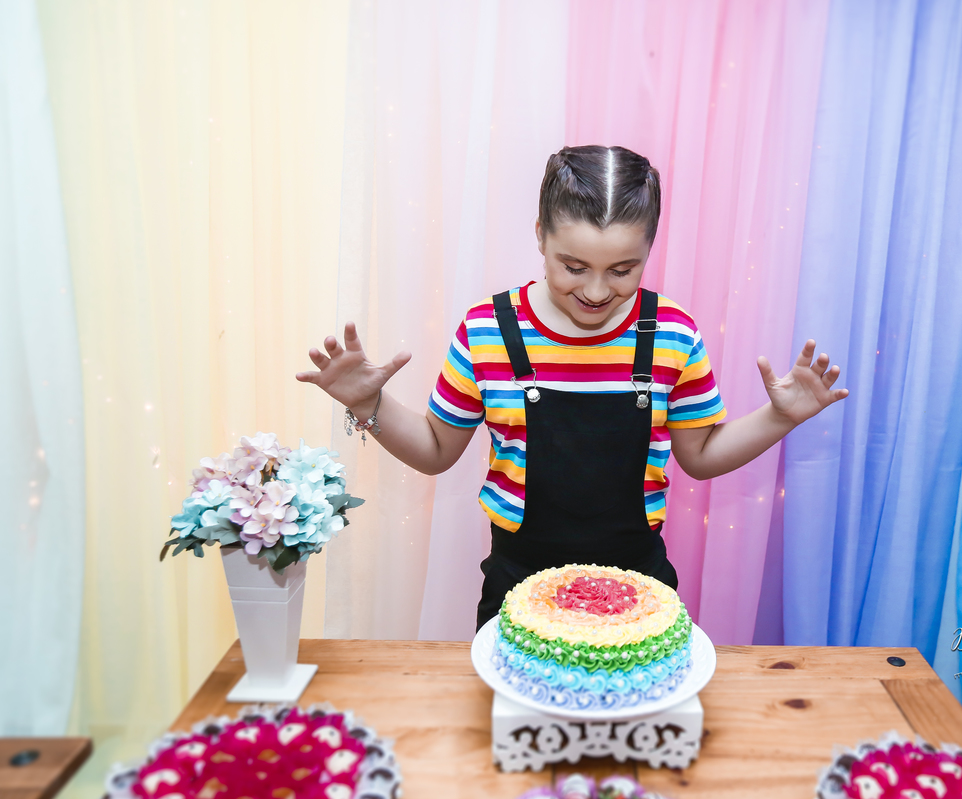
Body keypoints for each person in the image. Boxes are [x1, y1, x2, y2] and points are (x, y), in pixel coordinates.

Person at [297, 145, 848, 630]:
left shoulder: (673, 334)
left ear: (650, 250)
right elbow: (435, 450)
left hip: (640, 585)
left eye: (623, 270)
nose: (596, 291)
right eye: (574, 266)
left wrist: (780, 417)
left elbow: (700, 457)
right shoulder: (488, 331)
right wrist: (369, 402)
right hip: (517, 584)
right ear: (540, 234)